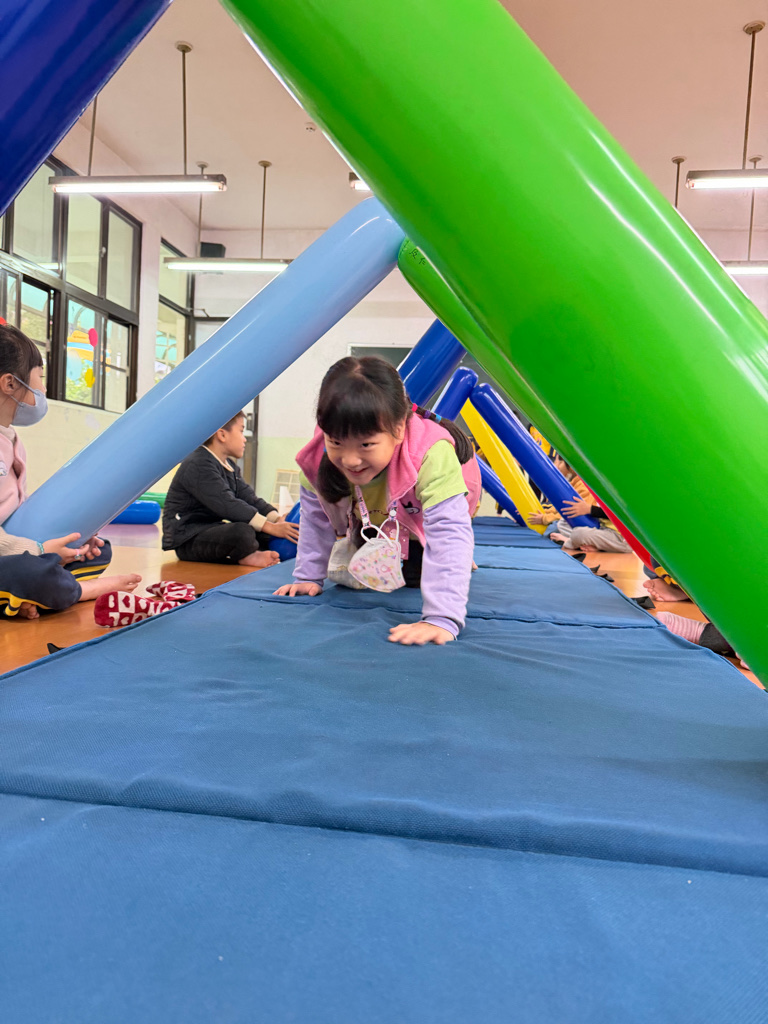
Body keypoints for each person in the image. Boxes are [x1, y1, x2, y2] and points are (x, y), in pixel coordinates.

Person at [274, 355, 482, 646]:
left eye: (366, 445)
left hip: (423, 508)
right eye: (336, 442)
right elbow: (315, 517)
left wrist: (442, 618)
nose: (350, 459)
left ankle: (447, 555)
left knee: (420, 571)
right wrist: (308, 577)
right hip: (373, 515)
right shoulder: (319, 454)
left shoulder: (430, 453)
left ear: (398, 429)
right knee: (361, 571)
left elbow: (449, 530)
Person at [0, 323, 140, 619]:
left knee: (96, 550)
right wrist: (39, 549)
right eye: (40, 378)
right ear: (10, 383)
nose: (43, 389)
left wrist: (60, 539)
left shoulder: (11, 439)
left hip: (14, 549)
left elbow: (16, 509)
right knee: (31, 571)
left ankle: (26, 596)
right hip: (10, 554)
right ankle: (79, 590)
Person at [162, 411, 298, 566]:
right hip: (188, 537)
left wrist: (277, 519)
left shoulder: (229, 466)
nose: (244, 439)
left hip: (212, 529)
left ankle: (251, 550)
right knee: (243, 532)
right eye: (241, 431)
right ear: (222, 435)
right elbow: (227, 504)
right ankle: (248, 556)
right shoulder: (198, 464)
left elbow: (249, 498)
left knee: (263, 534)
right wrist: (270, 527)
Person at [529, 456, 631, 553]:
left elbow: (618, 514)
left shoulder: (622, 491)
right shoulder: (593, 484)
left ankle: (568, 542)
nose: (556, 465)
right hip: (603, 529)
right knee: (563, 523)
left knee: (579, 533)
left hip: (621, 538)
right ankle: (594, 546)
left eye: (559, 462)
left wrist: (589, 509)